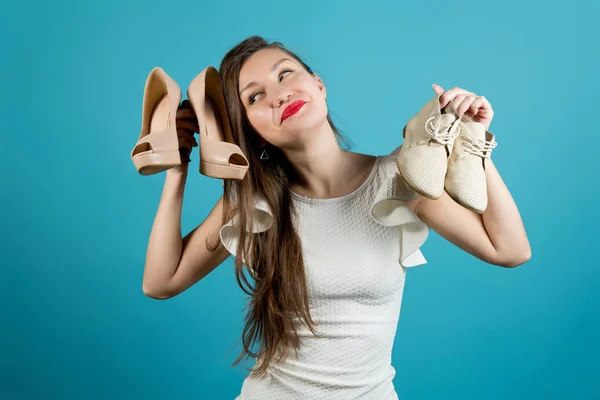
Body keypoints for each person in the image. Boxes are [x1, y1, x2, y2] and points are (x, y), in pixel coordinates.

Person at [141, 36, 531, 399]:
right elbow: (161, 282)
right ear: (253, 132)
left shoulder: (400, 178)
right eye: (256, 96)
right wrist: (177, 168)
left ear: (319, 85)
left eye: (285, 73)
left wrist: (474, 143)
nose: (280, 95)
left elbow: (509, 250)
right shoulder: (254, 201)